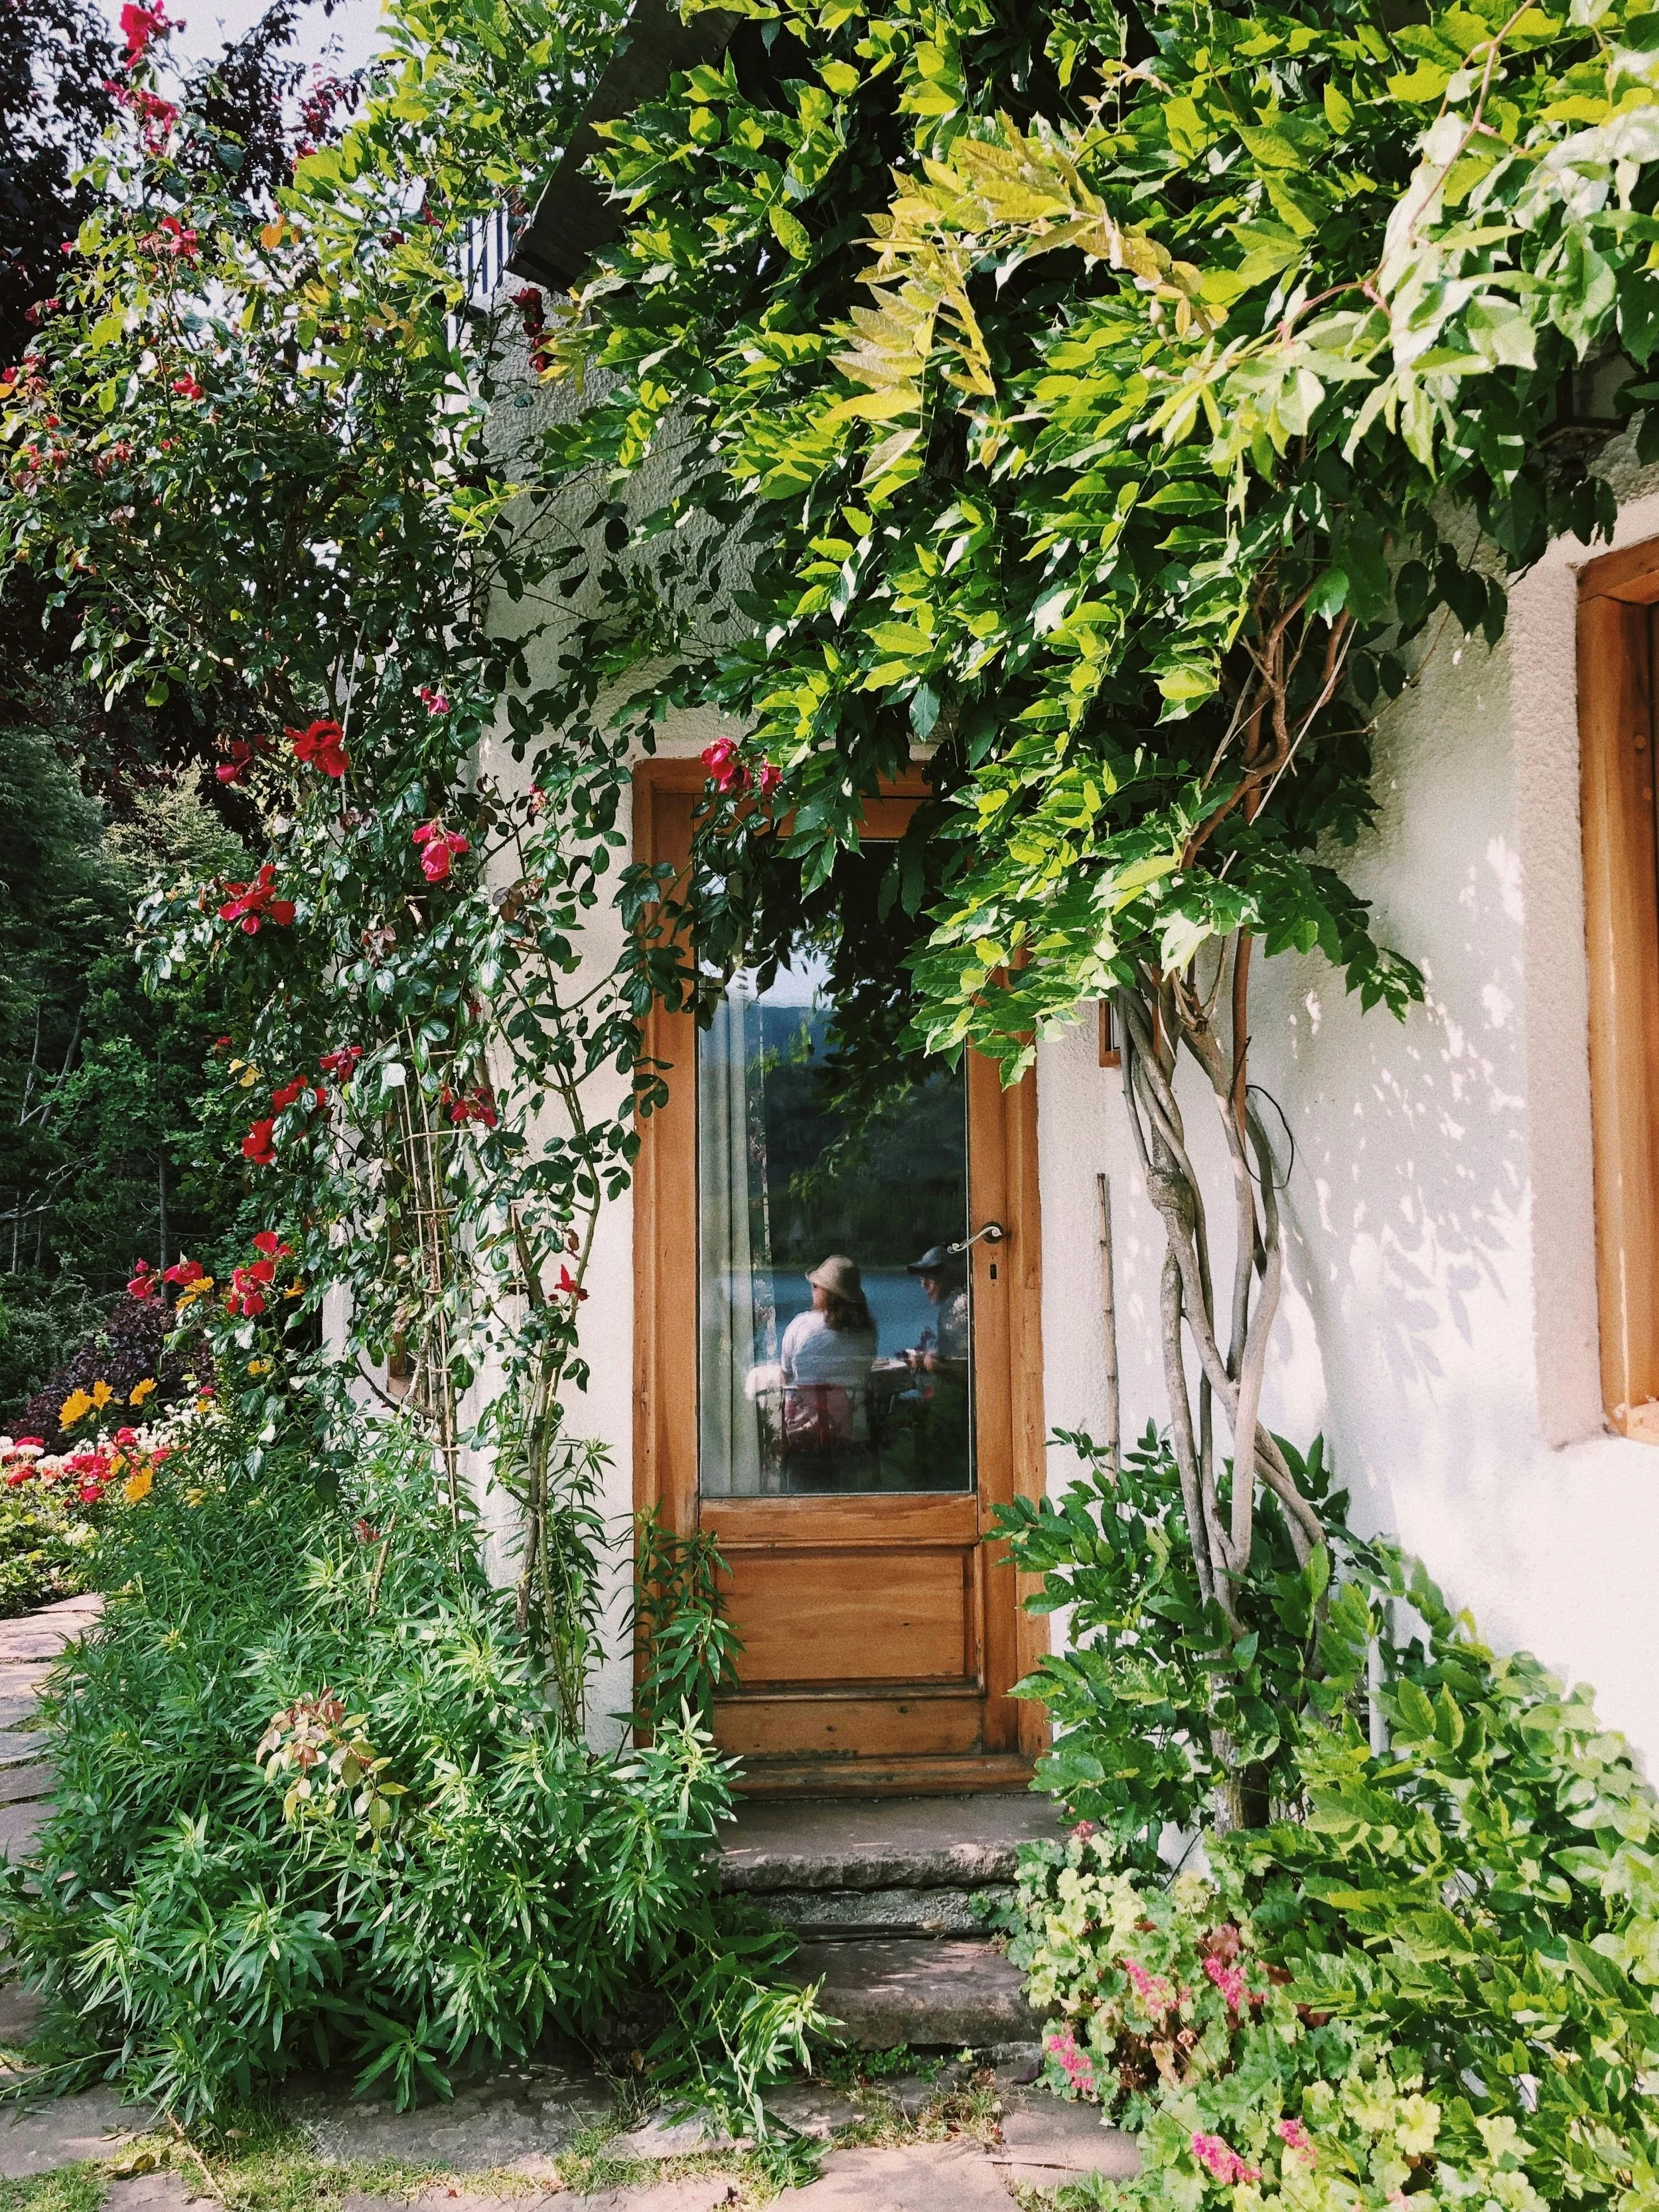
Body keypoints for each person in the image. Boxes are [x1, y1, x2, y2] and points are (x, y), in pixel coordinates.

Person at [905, 1243, 969, 1371]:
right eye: (922, 1279)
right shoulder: (950, 1306)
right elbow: (946, 1351)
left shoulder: (960, 1306)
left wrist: (930, 1363)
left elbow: (964, 1361)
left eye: (930, 1279)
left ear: (947, 1279)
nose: (924, 1285)